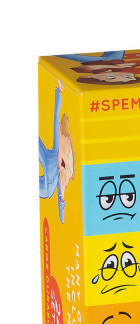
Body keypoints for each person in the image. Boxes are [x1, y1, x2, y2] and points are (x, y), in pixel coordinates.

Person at [38, 82, 74, 223]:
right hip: (49, 162)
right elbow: (55, 121)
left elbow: (61, 201)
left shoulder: (61, 177)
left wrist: (62, 200)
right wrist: (59, 93)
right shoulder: (58, 147)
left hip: (47, 185)